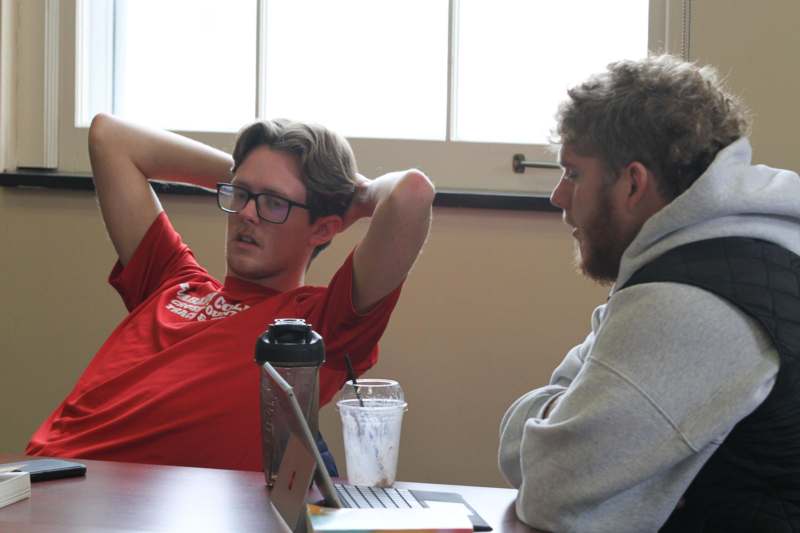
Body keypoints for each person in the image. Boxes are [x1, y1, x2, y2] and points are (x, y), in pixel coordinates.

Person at [26, 114, 435, 474]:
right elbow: (110, 136)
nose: (247, 213)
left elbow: (412, 193)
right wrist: (250, 177)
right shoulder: (171, 280)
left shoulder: (315, 327)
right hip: (38, 477)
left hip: (122, 508)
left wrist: (352, 197)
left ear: (323, 228)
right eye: (239, 195)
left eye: (273, 203)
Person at [498, 55, 800, 532]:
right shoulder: (731, 254)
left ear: (633, 183)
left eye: (573, 174)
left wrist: (560, 418)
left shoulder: (687, 304)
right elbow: (539, 445)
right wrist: (563, 419)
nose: (557, 196)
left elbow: (551, 492)